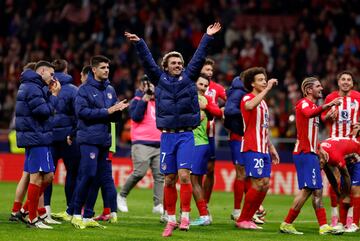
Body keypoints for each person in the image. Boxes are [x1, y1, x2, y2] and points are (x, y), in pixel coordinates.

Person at [125, 22, 221, 237]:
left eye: (180, 62)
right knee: (169, 179)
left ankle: (185, 217)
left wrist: (207, 36)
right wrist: (140, 43)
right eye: (174, 62)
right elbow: (147, 63)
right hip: (167, 137)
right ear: (166, 66)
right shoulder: (159, 80)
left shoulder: (189, 78)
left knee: (185, 177)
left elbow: (198, 57)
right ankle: (170, 219)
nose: (178, 65)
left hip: (187, 136)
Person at [279, 77, 344, 235]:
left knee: (317, 190)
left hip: (311, 152)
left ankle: (323, 226)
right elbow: (308, 114)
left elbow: (311, 129)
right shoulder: (304, 103)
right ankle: (287, 223)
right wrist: (328, 105)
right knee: (309, 189)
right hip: (304, 153)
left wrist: (319, 148)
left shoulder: (314, 106)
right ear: (309, 90)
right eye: (318, 86)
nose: (321, 88)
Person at [70, 55, 128, 229]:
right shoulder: (83, 90)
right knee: (87, 175)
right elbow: (82, 113)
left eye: (108, 68)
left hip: (104, 140)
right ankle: (75, 214)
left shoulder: (110, 89)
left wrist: (118, 111)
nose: (106, 70)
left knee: (97, 179)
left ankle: (88, 216)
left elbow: (112, 116)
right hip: (88, 139)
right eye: (103, 67)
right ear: (94, 70)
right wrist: (108, 110)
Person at [15, 60, 61, 228]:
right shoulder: (32, 87)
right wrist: (54, 96)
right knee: (37, 177)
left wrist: (50, 94)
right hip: (36, 137)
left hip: (39, 136)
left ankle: (26, 210)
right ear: (41, 71)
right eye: (51, 74)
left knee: (48, 176)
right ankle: (32, 218)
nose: (53, 77)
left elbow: (42, 108)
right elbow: (42, 111)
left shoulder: (35, 86)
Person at [235, 67, 279, 230]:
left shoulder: (264, 103)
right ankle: (243, 219)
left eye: (264, 79)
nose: (264, 82)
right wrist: (267, 89)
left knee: (265, 183)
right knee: (258, 182)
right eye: (260, 80)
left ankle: (249, 217)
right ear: (252, 84)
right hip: (252, 147)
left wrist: (271, 147)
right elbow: (248, 107)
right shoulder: (248, 97)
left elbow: (263, 128)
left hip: (263, 148)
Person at [117, 75, 164, 214]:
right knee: (139, 172)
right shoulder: (136, 100)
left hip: (159, 142)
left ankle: (158, 205)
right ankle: (121, 196)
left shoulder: (159, 101)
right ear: (141, 86)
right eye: (147, 85)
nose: (151, 88)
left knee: (160, 175)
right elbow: (136, 116)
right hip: (142, 142)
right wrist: (145, 98)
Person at [321, 70, 360, 229]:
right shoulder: (331, 98)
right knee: (337, 182)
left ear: (352, 83)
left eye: (348, 80)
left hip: (353, 144)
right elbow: (322, 117)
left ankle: (351, 221)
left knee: (353, 185)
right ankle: (335, 216)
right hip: (335, 143)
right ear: (338, 82)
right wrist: (329, 115)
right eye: (342, 79)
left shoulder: (358, 97)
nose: (345, 82)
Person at [42, 59, 79, 224]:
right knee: (72, 174)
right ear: (66, 70)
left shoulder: (44, 88)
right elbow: (79, 115)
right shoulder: (73, 90)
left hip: (49, 137)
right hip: (68, 138)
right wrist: (72, 133)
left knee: (47, 174)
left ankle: (46, 210)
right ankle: (70, 209)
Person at [190, 74, 223, 226]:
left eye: (205, 85)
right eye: (200, 84)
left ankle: (204, 215)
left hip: (198, 143)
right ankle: (200, 213)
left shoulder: (205, 100)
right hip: (191, 143)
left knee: (193, 180)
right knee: (192, 180)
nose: (202, 88)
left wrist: (206, 107)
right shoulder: (188, 96)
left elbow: (218, 113)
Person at [318, 124, 360, 232]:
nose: (320, 166)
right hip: (347, 157)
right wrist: (338, 192)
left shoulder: (333, 156)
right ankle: (341, 224)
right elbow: (330, 176)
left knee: (354, 189)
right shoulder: (322, 155)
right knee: (342, 191)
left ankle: (354, 224)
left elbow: (345, 175)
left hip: (358, 155)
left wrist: (345, 193)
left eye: (320, 164)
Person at [201, 58, 227, 207]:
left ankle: (206, 204)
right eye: (206, 69)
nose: (209, 72)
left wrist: (223, 110)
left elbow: (231, 100)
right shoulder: (193, 85)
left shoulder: (217, 88)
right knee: (193, 172)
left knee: (210, 170)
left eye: (211, 70)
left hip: (210, 133)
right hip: (193, 133)